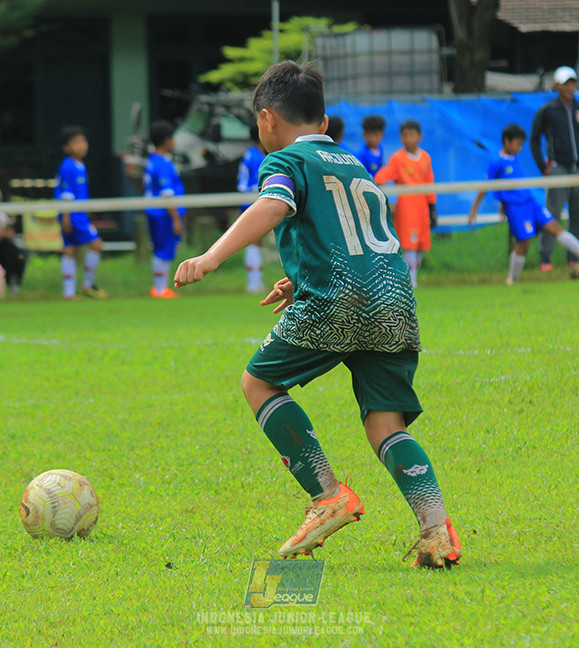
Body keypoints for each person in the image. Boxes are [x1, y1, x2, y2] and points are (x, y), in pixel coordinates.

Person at [173, 61, 462, 569]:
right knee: (385, 423)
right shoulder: (352, 163)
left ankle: (327, 493)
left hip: (339, 301)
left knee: (258, 384)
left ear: (266, 120)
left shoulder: (285, 159)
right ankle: (437, 531)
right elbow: (349, 234)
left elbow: (273, 206)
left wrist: (211, 256)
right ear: (324, 122)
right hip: (394, 299)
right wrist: (299, 277)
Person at [468, 124, 579, 285]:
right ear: (507, 141)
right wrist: (475, 209)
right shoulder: (496, 162)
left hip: (530, 202)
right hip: (516, 207)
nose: (519, 148)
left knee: (555, 227)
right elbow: (486, 186)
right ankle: (512, 279)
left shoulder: (514, 159)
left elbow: (509, 184)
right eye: (518, 144)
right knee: (524, 242)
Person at [530, 66, 579, 272]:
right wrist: (543, 165)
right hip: (559, 167)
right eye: (565, 83)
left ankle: (574, 256)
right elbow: (534, 139)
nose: (570, 87)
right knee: (553, 213)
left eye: (573, 82)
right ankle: (545, 258)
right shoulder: (548, 110)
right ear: (557, 85)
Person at [373, 120, 438, 289]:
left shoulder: (425, 157)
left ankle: (411, 277)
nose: (407, 139)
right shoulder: (398, 158)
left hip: (422, 205)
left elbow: (430, 182)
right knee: (409, 244)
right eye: (404, 135)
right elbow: (383, 175)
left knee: (421, 245)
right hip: (407, 206)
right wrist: (377, 186)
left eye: (411, 135)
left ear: (420, 136)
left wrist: (432, 207)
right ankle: (411, 282)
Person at [55, 125, 106, 300]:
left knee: (70, 250)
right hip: (73, 215)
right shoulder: (69, 166)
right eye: (76, 142)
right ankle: (88, 285)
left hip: (76, 214)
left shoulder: (79, 165)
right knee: (97, 245)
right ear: (66, 148)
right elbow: (66, 195)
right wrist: (67, 217)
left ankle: (69, 293)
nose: (82, 145)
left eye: (83, 141)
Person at [144, 120, 185, 299]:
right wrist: (176, 218)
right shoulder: (162, 164)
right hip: (164, 214)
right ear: (166, 140)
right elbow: (167, 194)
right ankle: (160, 289)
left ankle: (159, 288)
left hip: (155, 212)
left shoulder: (152, 161)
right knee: (165, 250)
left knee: (160, 249)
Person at [237, 122, 267, 294]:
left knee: (256, 242)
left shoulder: (251, 154)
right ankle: (253, 284)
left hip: (250, 200)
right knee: (253, 242)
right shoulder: (257, 157)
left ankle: (256, 282)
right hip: (252, 201)